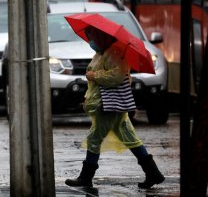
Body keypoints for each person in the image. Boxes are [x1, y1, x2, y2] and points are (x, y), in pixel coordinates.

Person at [65, 27, 165, 188]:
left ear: (101, 36)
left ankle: (86, 177)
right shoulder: (102, 53)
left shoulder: (114, 53)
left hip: (110, 105)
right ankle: (153, 173)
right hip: (108, 104)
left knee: (94, 139)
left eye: (92, 37)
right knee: (130, 138)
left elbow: (116, 76)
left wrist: (94, 75)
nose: (90, 41)